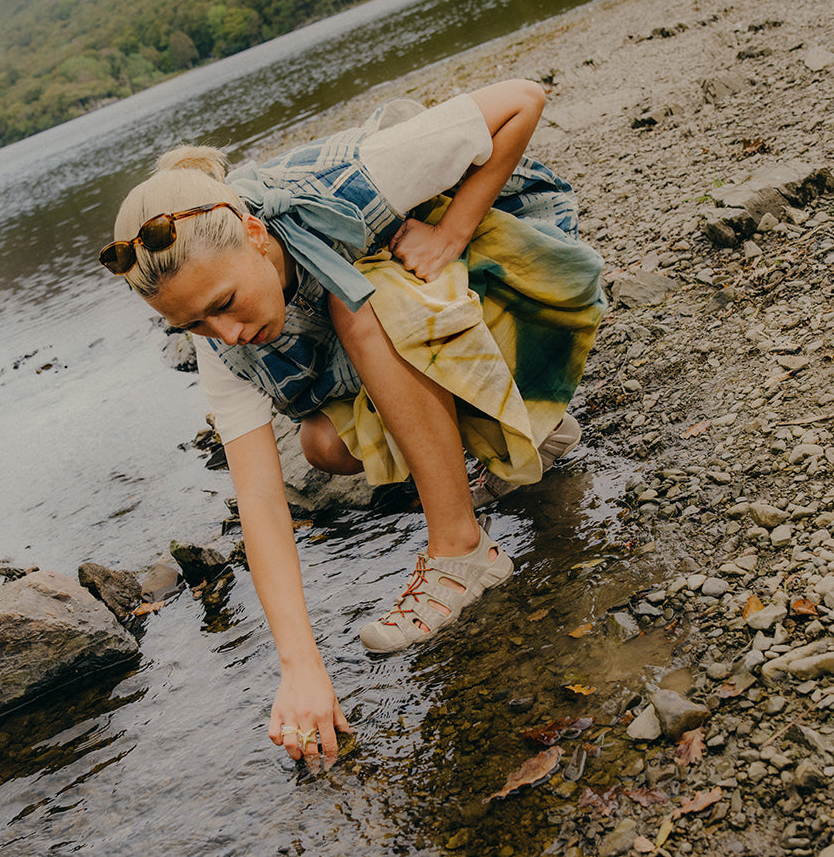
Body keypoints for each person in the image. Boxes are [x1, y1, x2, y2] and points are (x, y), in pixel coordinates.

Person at [99, 79, 606, 765]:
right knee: (323, 445)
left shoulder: (356, 175)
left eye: (223, 302)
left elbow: (523, 98)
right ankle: (527, 432)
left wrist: (450, 229)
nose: (226, 332)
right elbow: (260, 502)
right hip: (449, 329)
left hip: (518, 280)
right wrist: (300, 668)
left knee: (357, 306)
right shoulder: (221, 345)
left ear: (252, 233)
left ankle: (461, 551)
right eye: (193, 325)